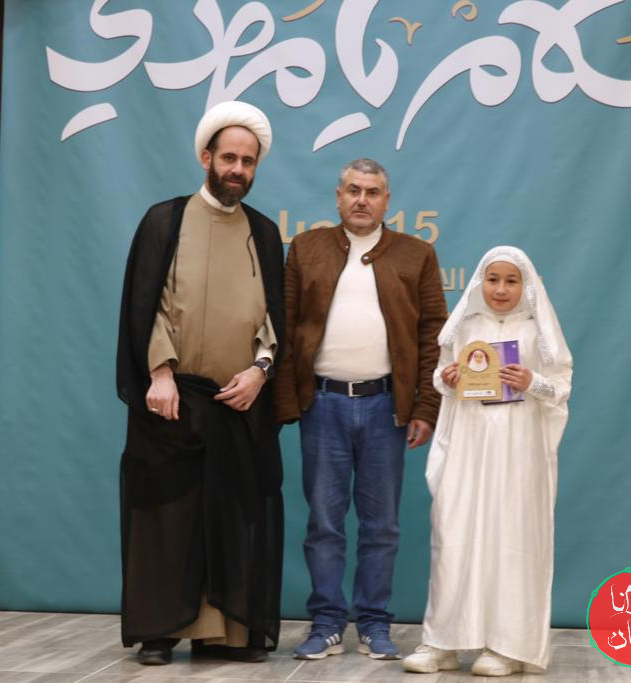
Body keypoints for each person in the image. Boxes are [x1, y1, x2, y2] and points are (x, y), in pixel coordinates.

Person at [115, 101, 285, 666]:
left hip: (240, 401)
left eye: (248, 161)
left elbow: (274, 319)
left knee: (233, 515)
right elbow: (147, 304)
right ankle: (162, 631)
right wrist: (159, 372)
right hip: (173, 399)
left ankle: (228, 635)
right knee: (169, 518)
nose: (237, 169)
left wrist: (261, 371)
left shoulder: (264, 233)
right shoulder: (164, 220)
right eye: (229, 158)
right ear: (207, 158)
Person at [274, 158, 448, 661]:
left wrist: (425, 406)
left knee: (382, 526)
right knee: (324, 523)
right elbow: (285, 326)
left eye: (372, 192)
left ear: (386, 201)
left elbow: (433, 335)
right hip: (322, 405)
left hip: (385, 407)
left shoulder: (416, 254)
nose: (362, 200)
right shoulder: (306, 248)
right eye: (353, 190)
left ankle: (374, 624)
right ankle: (327, 623)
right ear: (338, 196)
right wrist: (287, 403)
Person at [402, 246, 572, 676]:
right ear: (480, 282)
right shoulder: (466, 327)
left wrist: (532, 381)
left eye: (511, 281)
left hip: (518, 448)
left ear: (526, 286)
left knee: (512, 539)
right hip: (469, 443)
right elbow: (441, 376)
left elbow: (561, 385)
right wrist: (448, 378)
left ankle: (507, 647)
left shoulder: (538, 331)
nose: (500, 289)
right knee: (455, 535)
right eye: (493, 279)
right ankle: (443, 642)